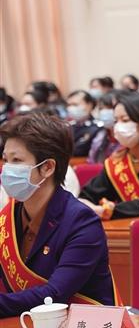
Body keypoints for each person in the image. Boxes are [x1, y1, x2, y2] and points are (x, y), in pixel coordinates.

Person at [0, 113, 117, 317]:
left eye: (16, 160)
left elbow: (54, 295)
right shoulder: (9, 216)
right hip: (27, 324)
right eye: (5, 160)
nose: (7, 169)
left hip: (84, 327)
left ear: (47, 167)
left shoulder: (82, 222)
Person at [66, 90, 102, 157]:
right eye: (69, 105)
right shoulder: (67, 126)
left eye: (75, 104)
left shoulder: (97, 127)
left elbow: (80, 150)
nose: (70, 108)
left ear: (89, 105)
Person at [88, 93, 120, 164]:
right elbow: (91, 161)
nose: (105, 112)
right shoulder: (100, 136)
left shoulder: (125, 137)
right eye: (101, 109)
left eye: (110, 108)